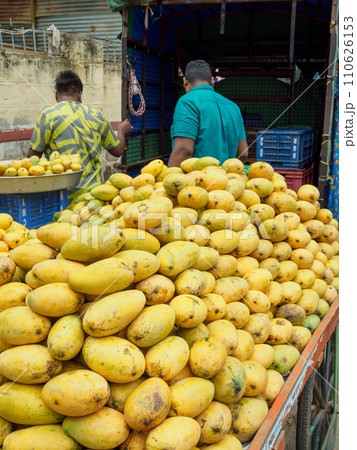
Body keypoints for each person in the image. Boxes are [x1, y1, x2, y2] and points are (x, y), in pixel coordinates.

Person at [28, 70, 132, 199]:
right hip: (94, 194)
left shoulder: (48, 115)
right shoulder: (97, 115)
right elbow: (117, 151)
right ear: (79, 94)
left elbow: (32, 159)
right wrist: (121, 130)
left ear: (56, 96)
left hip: (61, 195)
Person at [168, 60, 248, 167]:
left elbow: (184, 150)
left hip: (197, 181)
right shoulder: (233, 107)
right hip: (227, 180)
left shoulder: (187, 102)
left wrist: (169, 179)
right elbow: (243, 154)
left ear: (185, 81)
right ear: (212, 81)